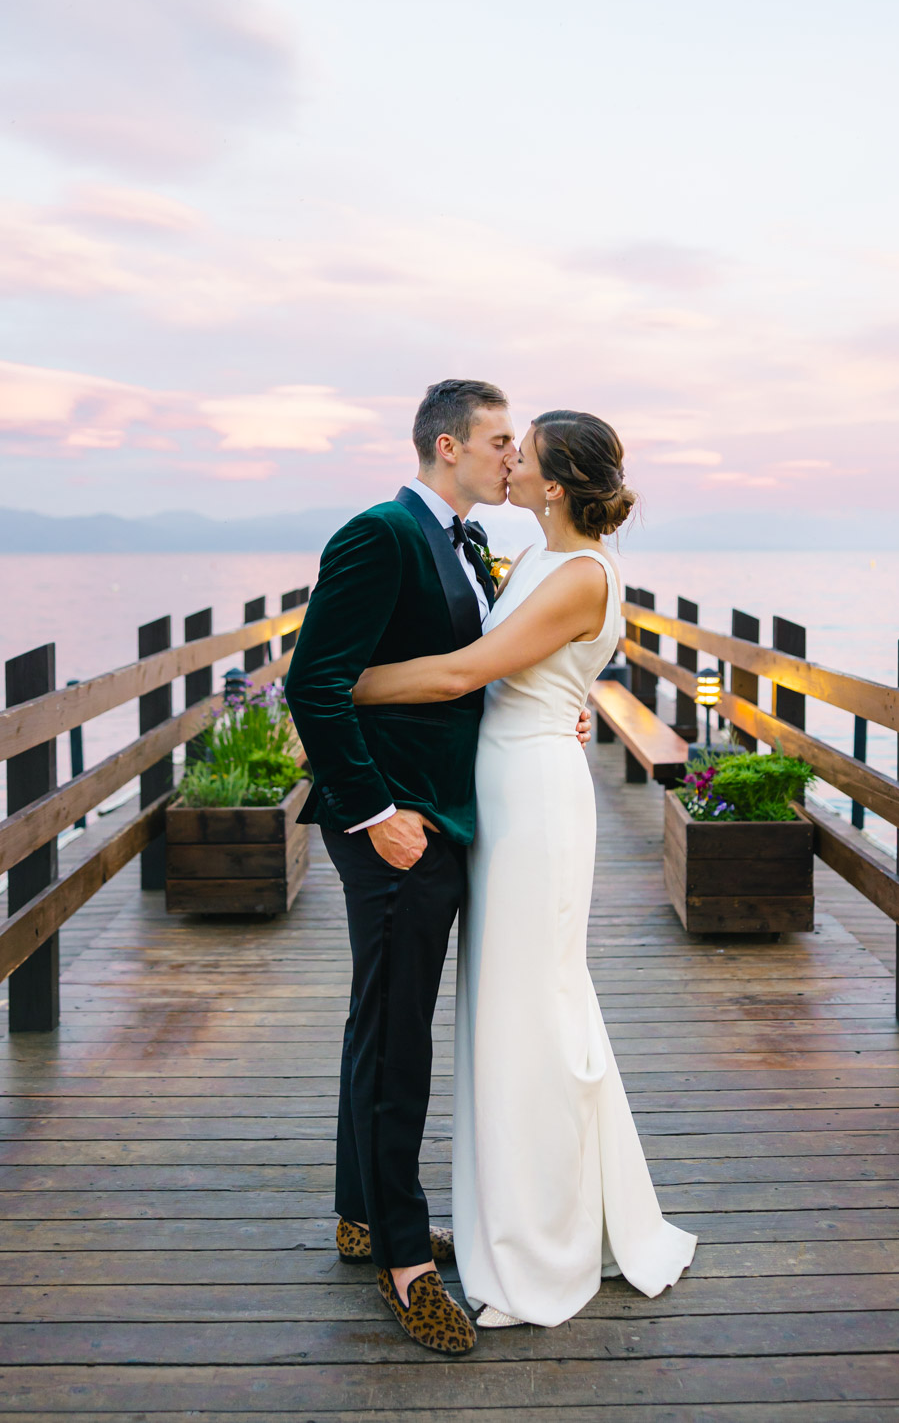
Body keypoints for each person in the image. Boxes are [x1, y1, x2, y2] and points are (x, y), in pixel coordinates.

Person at [352, 409, 698, 1330]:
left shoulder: (581, 571)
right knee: (502, 1005)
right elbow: (523, 673)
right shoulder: (536, 557)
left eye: (524, 451)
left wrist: (342, 682)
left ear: (553, 484)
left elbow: (464, 673)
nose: (509, 458)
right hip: (499, 785)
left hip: (535, 798)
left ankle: (542, 1232)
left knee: (531, 1003)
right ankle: (507, 1207)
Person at [284, 380, 592, 1354]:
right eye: (502, 441)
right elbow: (313, 685)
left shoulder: (466, 542)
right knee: (399, 1036)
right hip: (397, 826)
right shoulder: (382, 535)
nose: (514, 458)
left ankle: (363, 1213)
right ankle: (407, 1263)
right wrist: (376, 814)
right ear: (448, 445)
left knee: (381, 1020)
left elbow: (479, 668)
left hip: (448, 813)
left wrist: (556, 708)